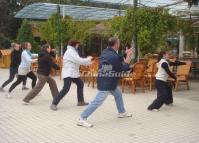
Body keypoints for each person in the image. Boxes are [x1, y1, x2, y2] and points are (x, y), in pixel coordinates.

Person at [77, 37, 133, 128]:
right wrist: (128, 57)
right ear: (116, 45)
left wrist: (125, 54)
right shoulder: (113, 56)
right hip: (106, 83)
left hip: (107, 80)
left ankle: (122, 112)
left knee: (118, 94)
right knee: (97, 101)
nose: (120, 44)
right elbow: (123, 68)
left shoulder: (106, 51)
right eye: (119, 43)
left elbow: (115, 60)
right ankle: (82, 118)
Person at [50, 40, 93, 110]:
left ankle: (80, 101)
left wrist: (89, 63)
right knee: (66, 89)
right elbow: (79, 60)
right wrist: (88, 59)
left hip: (73, 73)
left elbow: (78, 62)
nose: (78, 46)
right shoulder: (70, 52)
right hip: (69, 73)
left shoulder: (73, 51)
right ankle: (54, 104)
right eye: (78, 45)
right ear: (75, 45)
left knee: (80, 84)